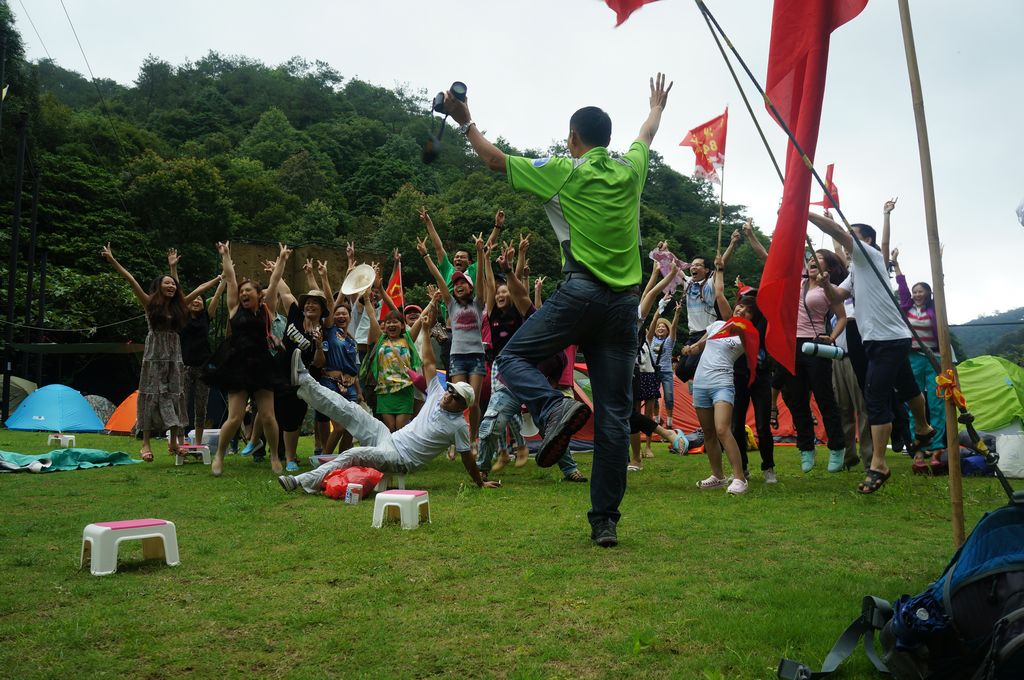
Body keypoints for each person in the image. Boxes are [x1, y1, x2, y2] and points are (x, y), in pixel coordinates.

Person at [443, 72, 673, 547]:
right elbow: (645, 136)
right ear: (608, 140)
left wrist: (465, 121)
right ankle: (604, 521)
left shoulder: (564, 170)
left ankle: (552, 409)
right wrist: (656, 107)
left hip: (581, 295)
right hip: (623, 310)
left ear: (572, 139)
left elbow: (492, 159)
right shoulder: (632, 169)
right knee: (613, 416)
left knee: (510, 358)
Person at [278, 301, 500, 493]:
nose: (448, 396)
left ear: (462, 406)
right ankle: (304, 381)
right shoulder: (437, 394)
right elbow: (429, 363)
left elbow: (467, 458)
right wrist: (424, 329)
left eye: (454, 397)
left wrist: (480, 482)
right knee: (350, 409)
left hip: (400, 459)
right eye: (450, 390)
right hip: (389, 439)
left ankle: (298, 482)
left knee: (352, 454)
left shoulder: (459, 426)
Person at [808, 209, 936, 494]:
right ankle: (924, 427)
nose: (846, 234)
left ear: (866, 240)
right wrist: (826, 285)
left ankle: (879, 464)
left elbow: (838, 234)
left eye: (852, 231)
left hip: (888, 339)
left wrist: (804, 210)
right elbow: (837, 298)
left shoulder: (871, 257)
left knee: (875, 397)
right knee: (907, 386)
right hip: (882, 340)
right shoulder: (856, 270)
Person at [101, 243, 220, 461]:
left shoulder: (180, 305)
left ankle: (175, 443)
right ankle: (145, 444)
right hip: (155, 354)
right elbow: (130, 279)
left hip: (174, 356)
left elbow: (201, 289)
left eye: (173, 284)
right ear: (159, 286)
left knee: (176, 395)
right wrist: (112, 260)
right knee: (150, 394)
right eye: (167, 283)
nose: (171, 286)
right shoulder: (149, 303)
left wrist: (219, 278)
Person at [203, 241, 290, 476]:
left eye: (248, 291)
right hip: (238, 366)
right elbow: (231, 278)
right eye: (241, 292)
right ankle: (219, 456)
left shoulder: (267, 307)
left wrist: (281, 259)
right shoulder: (234, 309)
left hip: (263, 365)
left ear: (258, 295)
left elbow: (273, 283)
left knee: (269, 416)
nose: (242, 293)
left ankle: (274, 456)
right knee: (235, 417)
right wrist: (226, 254)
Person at [686, 257, 759, 495]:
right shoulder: (716, 325)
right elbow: (702, 343)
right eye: (740, 307)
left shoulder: (745, 333)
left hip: (722, 384)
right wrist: (691, 348)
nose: (741, 311)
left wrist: (719, 269)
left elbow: (723, 302)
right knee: (708, 432)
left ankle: (740, 478)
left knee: (722, 430)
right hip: (702, 382)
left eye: (747, 311)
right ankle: (717, 476)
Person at [778, 250, 849, 473]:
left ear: (827, 267)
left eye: (818, 258)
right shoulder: (799, 282)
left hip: (816, 344)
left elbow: (843, 317)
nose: (811, 260)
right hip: (793, 345)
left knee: (824, 398)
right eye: (810, 258)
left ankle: (837, 447)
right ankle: (806, 448)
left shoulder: (828, 289)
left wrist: (833, 337)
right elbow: (773, 258)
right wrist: (752, 237)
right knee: (797, 400)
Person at [420, 232, 488, 445]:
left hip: (477, 357)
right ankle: (455, 440)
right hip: (457, 357)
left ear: (469, 287)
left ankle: (473, 439)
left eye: (463, 283)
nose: (458, 285)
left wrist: (479, 251)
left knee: (474, 402)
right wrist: (426, 256)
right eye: (456, 283)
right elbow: (440, 279)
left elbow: (480, 278)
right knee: (457, 400)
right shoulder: (451, 305)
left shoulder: (478, 303)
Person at [893, 247, 946, 464]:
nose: (916, 294)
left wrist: (938, 266)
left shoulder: (935, 309)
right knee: (914, 403)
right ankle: (918, 447)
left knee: (937, 403)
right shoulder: (906, 308)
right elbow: (901, 286)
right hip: (912, 358)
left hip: (934, 358)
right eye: (914, 291)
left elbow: (940, 288)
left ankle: (937, 448)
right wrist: (895, 263)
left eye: (920, 291)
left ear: (928, 293)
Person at [168, 248, 225, 448]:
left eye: (201, 299)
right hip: (183, 365)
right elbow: (178, 292)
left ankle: (198, 442)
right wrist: (173, 267)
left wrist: (224, 280)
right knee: (182, 404)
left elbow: (216, 297)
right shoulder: (181, 315)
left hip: (203, 366)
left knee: (201, 406)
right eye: (195, 299)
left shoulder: (206, 317)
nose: (197, 301)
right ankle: (182, 440)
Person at [359, 273, 421, 432]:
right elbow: (372, 315)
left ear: (402, 325)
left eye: (395, 322)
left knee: (401, 429)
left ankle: (403, 456)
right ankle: (393, 457)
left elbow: (422, 318)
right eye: (388, 322)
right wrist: (367, 299)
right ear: (384, 326)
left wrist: (433, 301)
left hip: (404, 389)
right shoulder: (380, 339)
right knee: (390, 429)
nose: (392, 324)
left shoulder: (408, 339)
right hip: (384, 390)